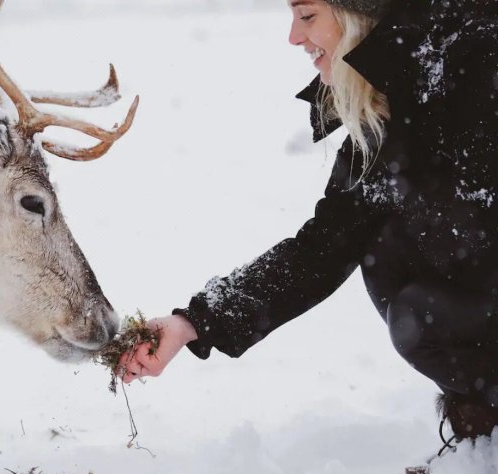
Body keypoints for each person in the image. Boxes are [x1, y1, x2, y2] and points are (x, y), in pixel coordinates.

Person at [119, 0, 498, 444]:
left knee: (420, 287)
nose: (294, 37)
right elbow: (323, 247)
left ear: (363, 14)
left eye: (308, 16)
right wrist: (193, 323)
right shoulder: (390, 103)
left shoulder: (476, 60)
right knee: (387, 256)